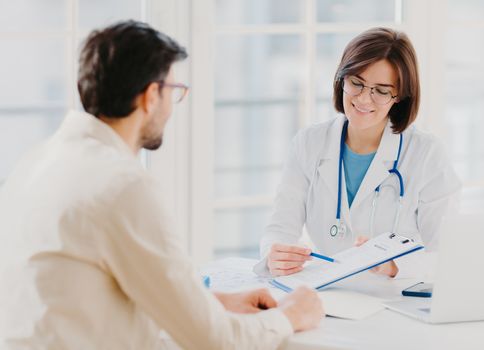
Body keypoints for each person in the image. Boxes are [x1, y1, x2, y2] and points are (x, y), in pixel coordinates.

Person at [0, 20, 323, 349]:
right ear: (151, 96)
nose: (172, 107)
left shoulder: (36, 162)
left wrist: (213, 303)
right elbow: (214, 341)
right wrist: (290, 316)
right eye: (174, 91)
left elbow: (83, 293)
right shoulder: (121, 186)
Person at [255, 27, 461, 278]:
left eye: (382, 90)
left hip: (393, 300)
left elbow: (447, 256)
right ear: (341, 79)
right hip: (327, 294)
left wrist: (393, 265)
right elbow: (280, 228)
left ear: (400, 96)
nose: (364, 99)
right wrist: (275, 256)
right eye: (356, 83)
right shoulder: (309, 143)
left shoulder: (426, 154)